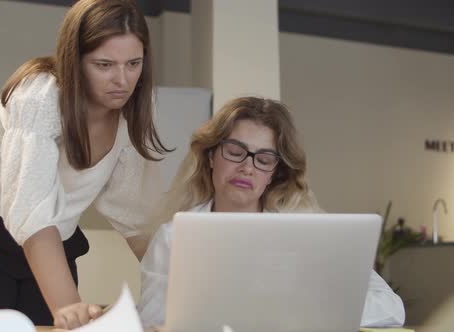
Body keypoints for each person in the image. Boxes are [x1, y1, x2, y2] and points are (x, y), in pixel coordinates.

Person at [0, 0, 170, 329]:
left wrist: (181, 287)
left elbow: (140, 222)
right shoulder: (39, 96)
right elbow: (30, 211)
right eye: (104, 65)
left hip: (53, 240)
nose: (122, 79)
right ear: (75, 60)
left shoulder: (132, 115)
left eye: (133, 63)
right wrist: (69, 306)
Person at [137, 97, 405, 328]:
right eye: (235, 152)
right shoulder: (174, 237)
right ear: (210, 156)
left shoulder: (309, 233)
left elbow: (391, 307)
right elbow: (150, 320)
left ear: (273, 173)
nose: (247, 167)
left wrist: (305, 309)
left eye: (263, 159)